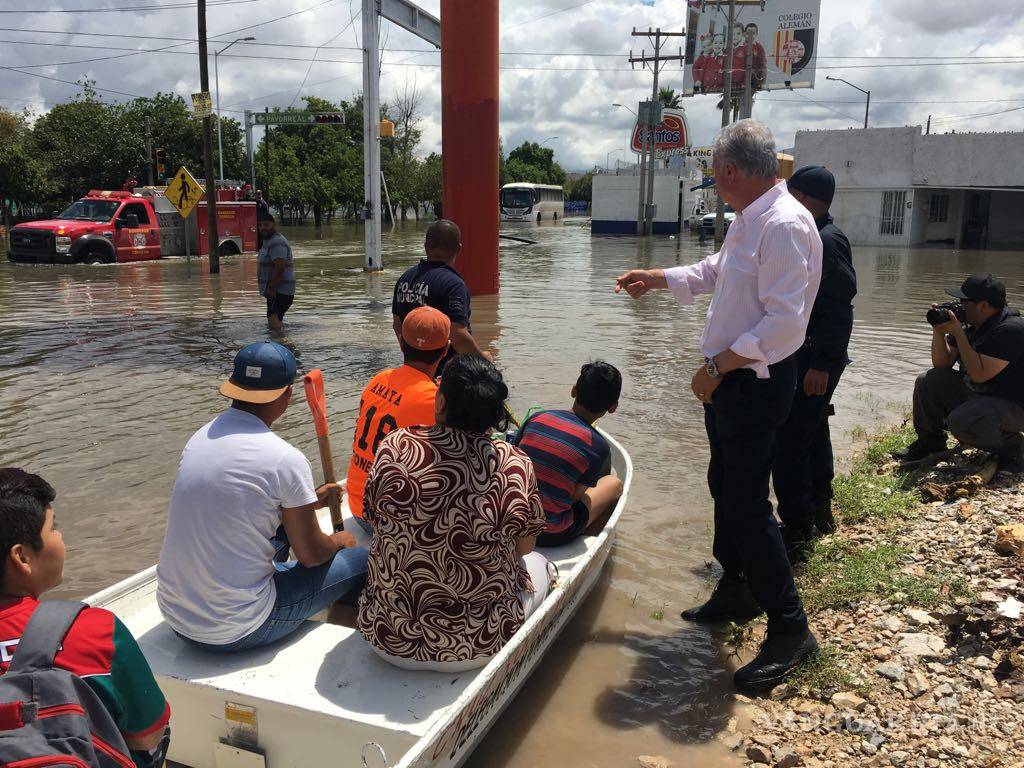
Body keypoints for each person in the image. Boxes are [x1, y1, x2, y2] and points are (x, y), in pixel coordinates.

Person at [614, 119, 823, 691]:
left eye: (714, 173)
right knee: (722, 483)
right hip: (732, 381)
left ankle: (790, 626)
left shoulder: (781, 225)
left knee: (748, 501)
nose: (713, 181)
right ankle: (737, 586)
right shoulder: (749, 220)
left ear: (730, 171)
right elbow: (715, 275)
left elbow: (784, 325)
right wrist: (656, 277)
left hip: (753, 380)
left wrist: (716, 368)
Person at [156, 342, 369, 653]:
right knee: (361, 560)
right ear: (287, 395)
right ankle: (338, 651)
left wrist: (309, 500)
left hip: (176, 617)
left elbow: (245, 498)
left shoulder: (201, 436)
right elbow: (311, 555)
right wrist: (340, 541)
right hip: (240, 628)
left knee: (284, 529)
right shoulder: (285, 458)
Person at [358, 355, 549, 671]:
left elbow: (374, 519)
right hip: (478, 644)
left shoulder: (395, 446)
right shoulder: (516, 464)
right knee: (540, 564)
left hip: (386, 635)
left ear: (441, 400)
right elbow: (524, 549)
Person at [0, 468, 171, 767]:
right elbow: (148, 733)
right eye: (53, 527)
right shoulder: (92, 630)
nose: (61, 536)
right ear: (22, 557)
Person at [772, 166, 857, 560]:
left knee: (789, 444)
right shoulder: (814, 235)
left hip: (817, 358)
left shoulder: (826, 241)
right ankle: (820, 510)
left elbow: (840, 311)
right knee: (813, 428)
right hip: (809, 356)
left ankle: (798, 528)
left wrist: (821, 365)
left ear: (803, 199)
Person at [892, 274, 1024, 472]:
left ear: (983, 306)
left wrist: (959, 334)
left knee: (961, 421)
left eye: (964, 301)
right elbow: (942, 363)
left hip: (1013, 406)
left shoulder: (1010, 330)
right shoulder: (974, 325)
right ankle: (930, 442)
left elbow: (979, 374)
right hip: (984, 398)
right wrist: (939, 332)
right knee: (928, 380)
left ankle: (1012, 448)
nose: (959, 305)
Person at [345, 306, 450, 534]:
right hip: (387, 522)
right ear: (446, 350)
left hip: (355, 504)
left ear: (401, 342)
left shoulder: (378, 379)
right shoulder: (436, 401)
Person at [513, 361, 625, 547]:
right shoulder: (598, 446)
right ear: (613, 407)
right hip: (550, 534)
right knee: (614, 484)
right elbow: (573, 498)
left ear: (574, 390)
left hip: (511, 522)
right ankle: (585, 539)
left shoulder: (537, 418)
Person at [391, 219, 490, 368]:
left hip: (412, 369)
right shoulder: (453, 285)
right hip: (446, 374)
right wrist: (483, 359)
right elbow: (457, 334)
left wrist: (413, 357)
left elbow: (398, 325)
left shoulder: (405, 279)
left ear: (425, 247)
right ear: (459, 249)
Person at [258, 215, 295, 331]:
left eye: (266, 225)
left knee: (274, 324)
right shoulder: (269, 241)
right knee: (275, 322)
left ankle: (285, 346)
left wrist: (272, 289)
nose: (263, 227)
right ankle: (282, 344)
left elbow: (280, 268)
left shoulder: (276, 242)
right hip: (276, 290)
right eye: (260, 225)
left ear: (274, 225)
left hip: (280, 291)